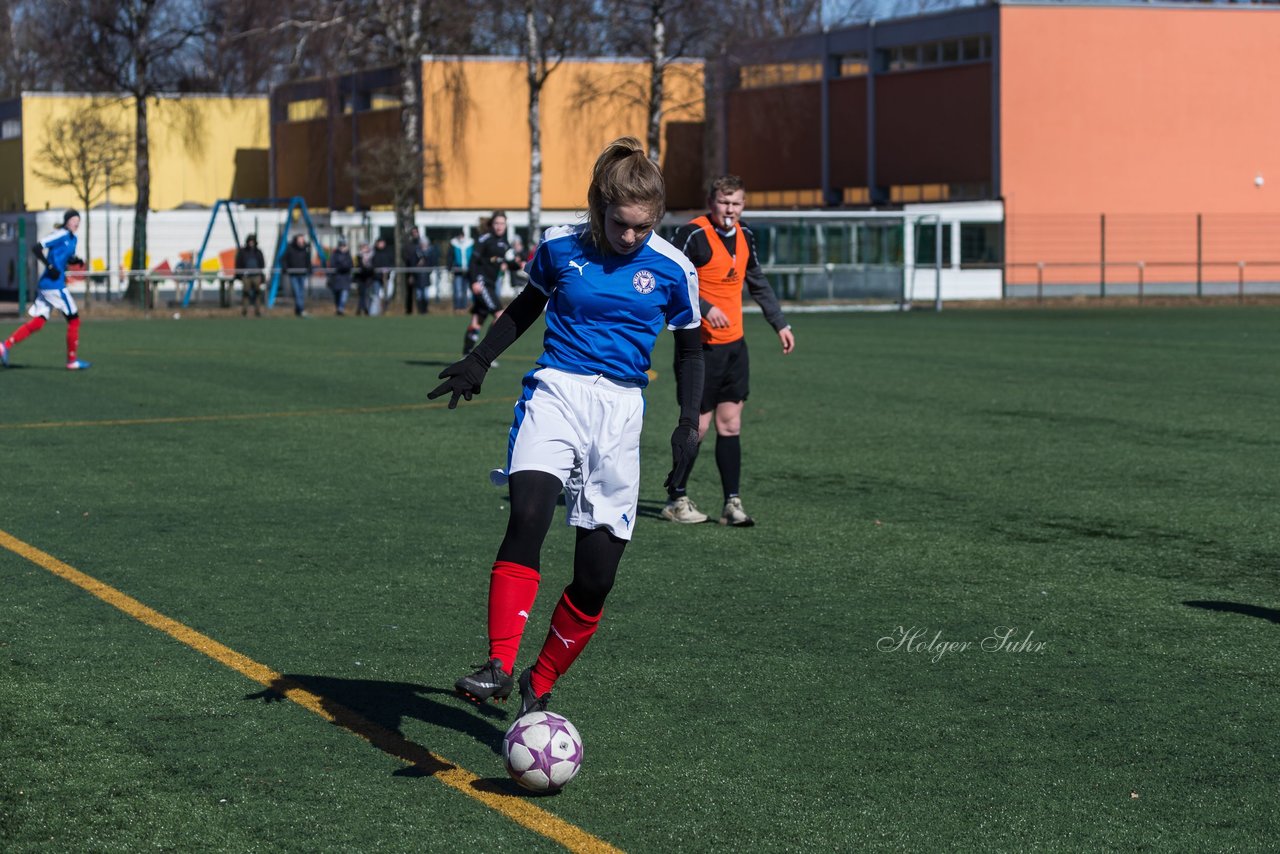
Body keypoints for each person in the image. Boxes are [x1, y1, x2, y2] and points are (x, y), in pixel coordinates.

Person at [432, 137, 704, 718]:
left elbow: (691, 352)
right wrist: (480, 359)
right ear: (598, 206)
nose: (630, 237)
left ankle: (541, 677)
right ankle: (499, 666)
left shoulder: (675, 269)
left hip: (622, 410)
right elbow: (527, 307)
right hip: (557, 390)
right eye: (620, 223)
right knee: (528, 513)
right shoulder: (559, 247)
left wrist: (688, 424)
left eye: (642, 227)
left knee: (597, 574)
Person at [661, 174, 796, 527]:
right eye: (724, 202)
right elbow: (670, 279)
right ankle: (676, 499)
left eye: (736, 203)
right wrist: (704, 307)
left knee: (731, 424)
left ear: (743, 205)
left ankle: (731, 504)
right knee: (699, 427)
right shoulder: (693, 234)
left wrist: (780, 323)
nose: (730, 210)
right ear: (711, 203)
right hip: (699, 349)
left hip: (735, 346)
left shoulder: (746, 235)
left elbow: (758, 282)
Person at [1, 209, 90, 370]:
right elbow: (36, 248)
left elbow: (66, 256)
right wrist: (49, 266)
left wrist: (75, 260)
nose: (76, 223)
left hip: (49, 286)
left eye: (78, 220)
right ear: (67, 221)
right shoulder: (60, 234)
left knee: (38, 322)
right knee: (74, 320)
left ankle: (4, 346)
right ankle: (72, 360)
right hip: (54, 285)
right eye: (73, 220)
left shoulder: (73, 239)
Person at [462, 211, 511, 355]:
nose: (499, 226)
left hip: (490, 284)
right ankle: (486, 353)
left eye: (502, 223)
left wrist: (516, 264)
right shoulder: (485, 239)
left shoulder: (504, 243)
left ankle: (467, 354)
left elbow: (508, 261)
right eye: (497, 223)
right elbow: (473, 262)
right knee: (500, 315)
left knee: (477, 320)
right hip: (482, 284)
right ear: (491, 225)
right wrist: (474, 282)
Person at [402, 226, 434, 315]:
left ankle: (425, 310)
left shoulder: (429, 252)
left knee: (425, 295)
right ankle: (414, 310)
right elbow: (408, 259)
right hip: (416, 275)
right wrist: (413, 273)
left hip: (425, 276)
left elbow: (432, 263)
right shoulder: (411, 247)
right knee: (418, 294)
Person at [236, 234, 266, 317]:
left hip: (256, 275)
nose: (251, 243)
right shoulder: (243, 252)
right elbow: (238, 263)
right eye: (250, 241)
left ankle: (258, 311)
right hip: (246, 276)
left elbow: (262, 263)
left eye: (252, 241)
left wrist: (260, 274)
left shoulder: (258, 252)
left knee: (257, 293)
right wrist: (239, 275)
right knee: (246, 293)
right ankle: (244, 311)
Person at [283, 233, 313, 317]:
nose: (301, 241)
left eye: (302, 239)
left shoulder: (306, 249)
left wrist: (309, 268)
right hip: (294, 274)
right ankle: (301, 309)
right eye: (299, 239)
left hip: (302, 274)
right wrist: (285, 267)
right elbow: (284, 259)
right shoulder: (290, 248)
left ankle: (298, 310)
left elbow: (308, 260)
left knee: (301, 292)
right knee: (297, 292)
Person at [449, 229, 474, 311]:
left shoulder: (470, 243)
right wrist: (449, 268)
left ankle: (464, 307)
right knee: (458, 291)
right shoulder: (454, 244)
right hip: (458, 271)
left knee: (465, 291)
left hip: (468, 271)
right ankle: (457, 307)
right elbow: (450, 257)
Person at [328, 238, 353, 316]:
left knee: (344, 295)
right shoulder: (334, 254)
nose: (342, 247)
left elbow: (350, 265)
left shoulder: (348, 255)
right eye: (341, 245)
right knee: (337, 295)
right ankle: (338, 308)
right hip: (336, 278)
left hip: (345, 278)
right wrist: (341, 267)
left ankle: (341, 309)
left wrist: (343, 267)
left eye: (344, 245)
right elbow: (332, 265)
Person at [371, 236, 394, 315]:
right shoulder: (374, 253)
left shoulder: (388, 252)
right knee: (376, 295)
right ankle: (374, 312)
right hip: (376, 278)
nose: (381, 244)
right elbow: (372, 264)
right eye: (379, 243)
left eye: (382, 242)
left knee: (387, 295)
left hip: (386, 278)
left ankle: (385, 310)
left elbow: (391, 263)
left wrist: (388, 271)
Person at [354, 242, 378, 316]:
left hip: (369, 278)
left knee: (367, 294)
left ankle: (362, 309)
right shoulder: (358, 256)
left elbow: (373, 266)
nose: (364, 249)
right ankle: (364, 309)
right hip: (360, 278)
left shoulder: (372, 256)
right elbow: (359, 266)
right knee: (362, 294)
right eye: (363, 247)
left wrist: (367, 268)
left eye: (365, 247)